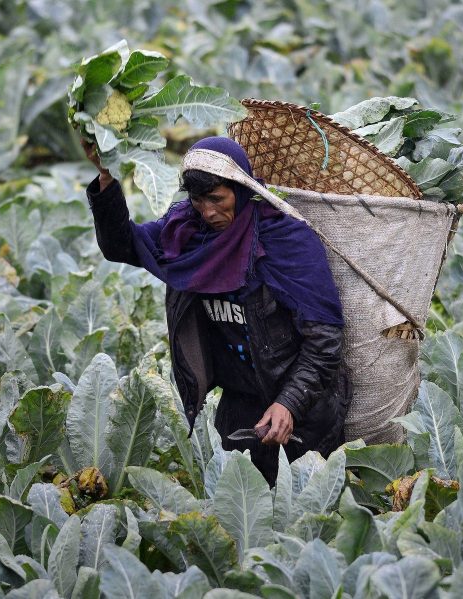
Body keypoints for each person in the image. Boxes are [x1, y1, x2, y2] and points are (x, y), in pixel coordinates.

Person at [83, 136, 350, 485]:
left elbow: (325, 341)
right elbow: (121, 246)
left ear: (240, 190)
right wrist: (107, 177)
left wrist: (290, 403)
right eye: (197, 200)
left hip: (305, 410)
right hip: (240, 405)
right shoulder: (186, 233)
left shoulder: (284, 240)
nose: (208, 212)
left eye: (217, 199)